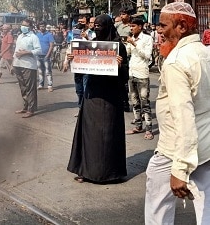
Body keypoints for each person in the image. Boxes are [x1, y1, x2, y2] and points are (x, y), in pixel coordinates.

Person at [145, 2, 210, 223]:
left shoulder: (175, 62)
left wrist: (179, 170)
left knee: (158, 211)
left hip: (174, 151)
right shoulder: (205, 53)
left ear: (181, 26)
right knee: (206, 211)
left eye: (163, 25)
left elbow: (183, 117)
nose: (159, 31)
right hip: (205, 148)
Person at [67, 14, 128, 184]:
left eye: (101, 26)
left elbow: (125, 77)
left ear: (108, 26)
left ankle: (110, 172)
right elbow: (81, 71)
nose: (98, 29)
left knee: (108, 134)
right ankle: (85, 170)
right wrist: (74, 59)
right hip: (92, 95)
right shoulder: (90, 46)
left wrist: (120, 65)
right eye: (96, 26)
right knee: (89, 134)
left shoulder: (118, 47)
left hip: (110, 97)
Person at [124, 18, 154, 140]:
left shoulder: (147, 39)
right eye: (130, 26)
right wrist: (128, 45)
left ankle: (149, 129)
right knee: (134, 102)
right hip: (132, 72)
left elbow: (147, 56)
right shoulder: (132, 38)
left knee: (144, 102)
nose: (131, 28)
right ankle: (138, 125)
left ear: (140, 27)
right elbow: (127, 53)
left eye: (133, 26)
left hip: (142, 74)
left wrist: (135, 44)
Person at [13, 19, 41, 118]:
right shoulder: (20, 36)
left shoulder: (33, 37)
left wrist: (26, 52)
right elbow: (16, 50)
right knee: (23, 87)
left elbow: (38, 50)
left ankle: (31, 109)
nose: (23, 27)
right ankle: (25, 106)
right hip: (18, 64)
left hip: (28, 65)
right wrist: (13, 63)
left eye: (26, 25)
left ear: (30, 27)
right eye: (22, 25)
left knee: (30, 88)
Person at [36, 22, 55, 92]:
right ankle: (41, 84)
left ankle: (50, 85)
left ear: (45, 27)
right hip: (38, 56)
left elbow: (51, 45)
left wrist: (48, 55)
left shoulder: (49, 35)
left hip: (46, 56)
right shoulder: (37, 35)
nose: (41, 27)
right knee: (40, 71)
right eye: (40, 26)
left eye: (43, 26)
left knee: (48, 71)